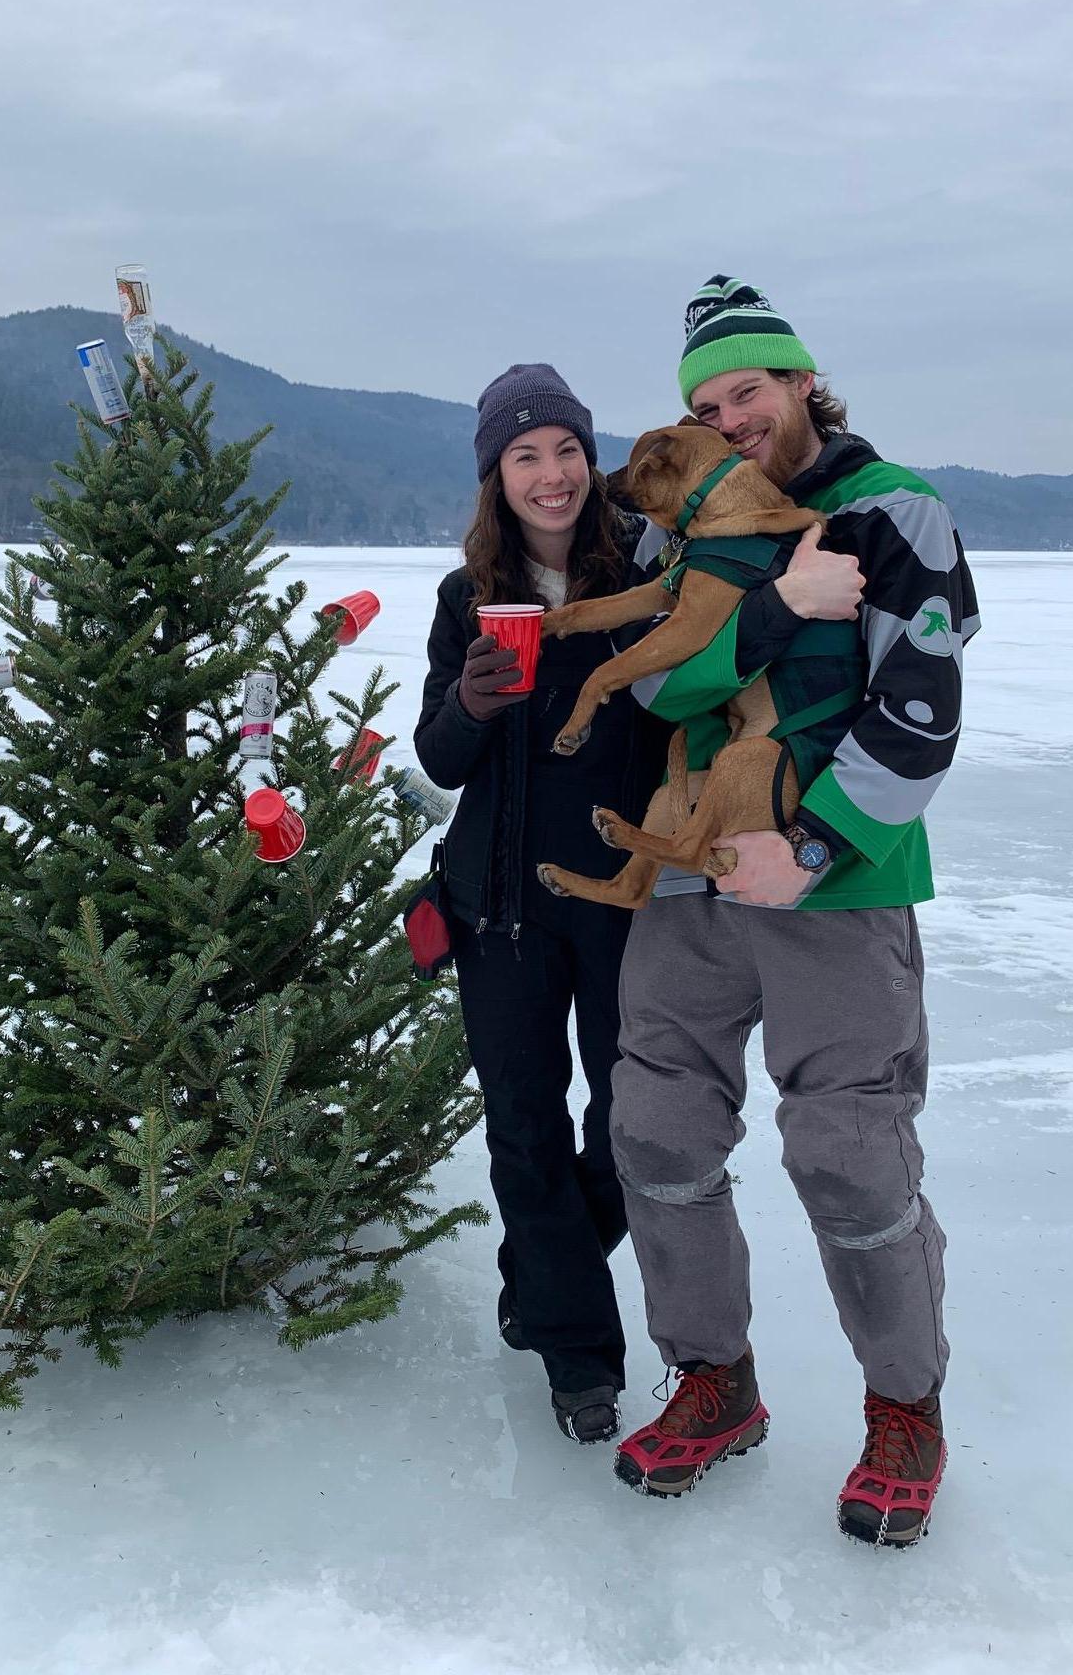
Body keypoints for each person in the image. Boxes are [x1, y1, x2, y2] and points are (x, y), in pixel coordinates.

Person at [607, 276, 980, 1549]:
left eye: (747, 392)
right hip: (690, 878)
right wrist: (772, 612)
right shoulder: (688, 528)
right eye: (706, 404)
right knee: (654, 1129)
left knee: (845, 1152)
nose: (731, 417)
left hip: (842, 888)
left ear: (804, 380)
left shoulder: (894, 511)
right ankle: (713, 1381)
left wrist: (814, 846)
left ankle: (904, 1407)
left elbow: (921, 706)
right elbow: (658, 695)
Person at [412, 363, 673, 1447]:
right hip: (500, 909)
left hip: (623, 902)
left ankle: (537, 1267)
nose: (551, 474)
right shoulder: (466, 596)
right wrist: (470, 703)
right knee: (524, 1131)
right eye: (525, 455)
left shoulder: (653, 568)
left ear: (589, 457)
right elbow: (437, 757)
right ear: (496, 475)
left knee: (627, 1133)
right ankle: (579, 1360)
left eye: (565, 449)